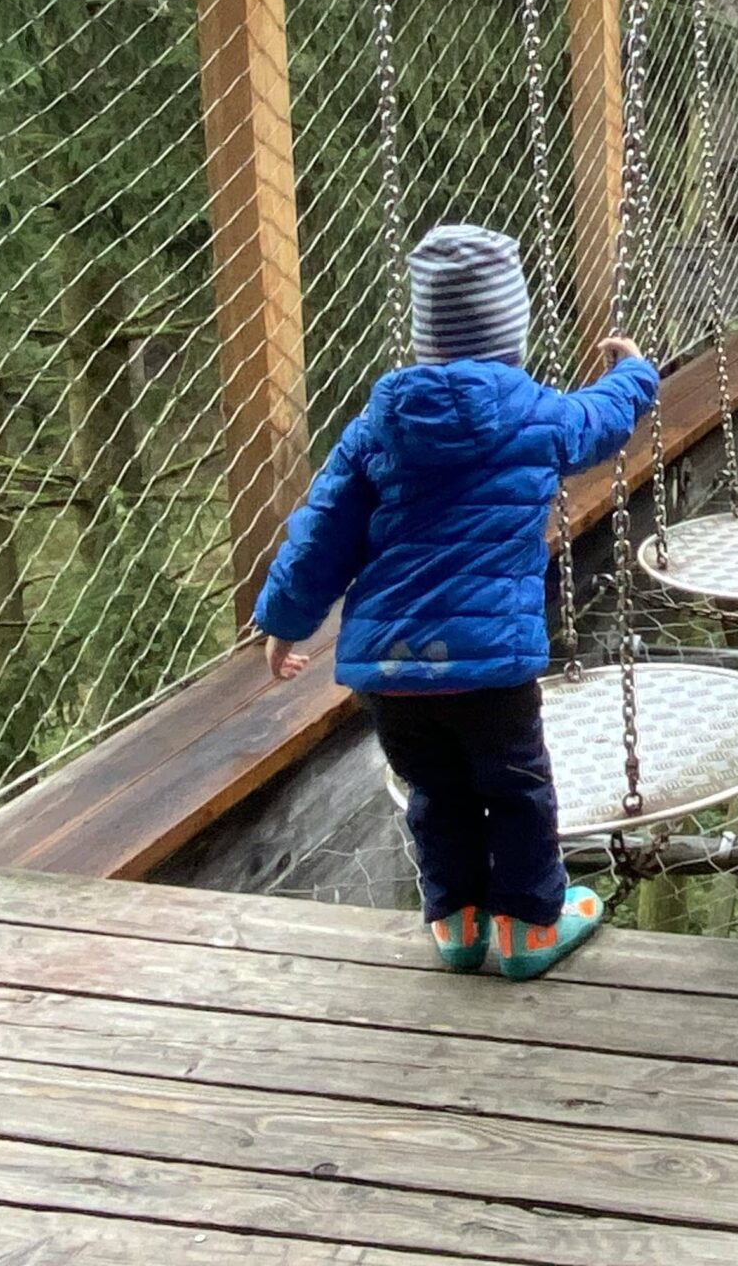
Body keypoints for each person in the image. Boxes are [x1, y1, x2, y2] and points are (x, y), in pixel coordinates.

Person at [252, 223, 659, 979]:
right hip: (490, 664)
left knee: (433, 793)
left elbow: (321, 532)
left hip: (391, 669)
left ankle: (457, 919)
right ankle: (531, 924)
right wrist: (635, 375)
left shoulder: (379, 421)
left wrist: (283, 622)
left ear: (425, 332)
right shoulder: (534, 413)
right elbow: (601, 423)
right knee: (516, 789)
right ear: (512, 330)